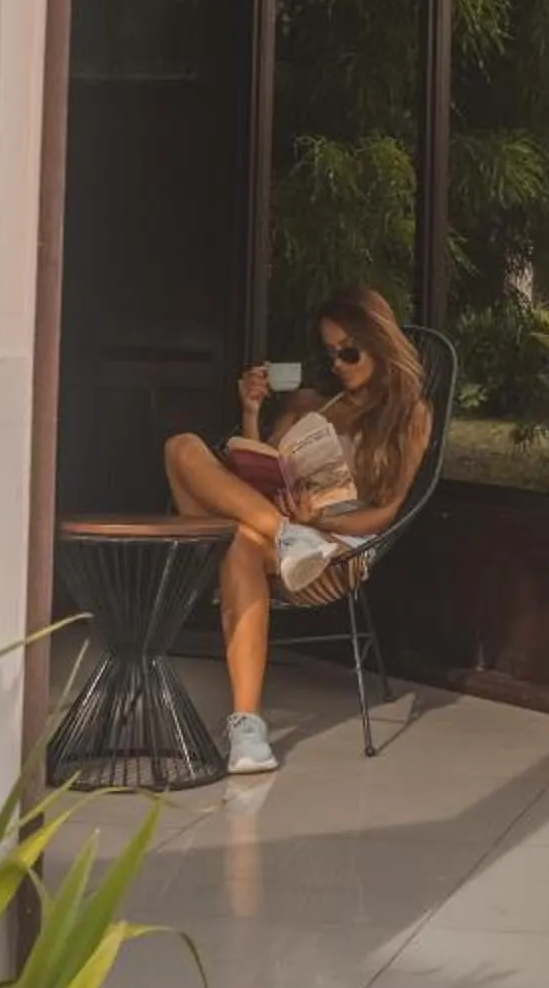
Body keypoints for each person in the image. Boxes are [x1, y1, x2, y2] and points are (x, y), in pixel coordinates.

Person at [162, 285, 430, 775]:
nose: (340, 365)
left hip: (334, 548)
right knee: (181, 446)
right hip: (282, 527)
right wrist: (250, 411)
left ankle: (247, 728)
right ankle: (286, 535)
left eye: (350, 352)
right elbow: (257, 466)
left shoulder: (409, 415)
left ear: (379, 343)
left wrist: (320, 521)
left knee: (239, 542)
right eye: (330, 355)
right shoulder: (312, 402)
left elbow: (386, 513)